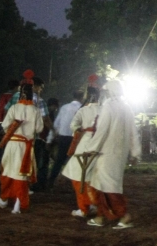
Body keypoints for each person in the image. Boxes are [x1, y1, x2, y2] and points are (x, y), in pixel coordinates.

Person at [83, 84, 138, 229]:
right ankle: (100, 217)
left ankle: (124, 216)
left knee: (108, 187)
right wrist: (134, 153)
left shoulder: (108, 106)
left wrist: (91, 148)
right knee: (102, 185)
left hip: (107, 153)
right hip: (119, 154)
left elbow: (102, 130)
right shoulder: (127, 108)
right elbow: (134, 132)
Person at [0, 74, 44, 214]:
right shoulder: (35, 110)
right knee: (21, 175)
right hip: (26, 146)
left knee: (7, 171)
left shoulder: (14, 108)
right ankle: (17, 204)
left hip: (12, 144)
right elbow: (39, 129)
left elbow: (5, 126)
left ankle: (4, 199)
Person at [61, 82, 101, 219]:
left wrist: (79, 131)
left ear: (87, 95)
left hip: (85, 145)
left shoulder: (83, 110)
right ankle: (94, 205)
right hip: (101, 146)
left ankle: (84, 207)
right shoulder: (105, 110)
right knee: (94, 177)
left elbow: (73, 125)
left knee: (78, 177)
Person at [49, 89, 83, 187]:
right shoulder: (82, 108)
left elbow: (57, 123)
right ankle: (72, 182)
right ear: (81, 98)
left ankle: (51, 180)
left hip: (63, 137)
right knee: (75, 159)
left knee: (59, 160)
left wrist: (50, 138)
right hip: (75, 137)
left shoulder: (64, 107)